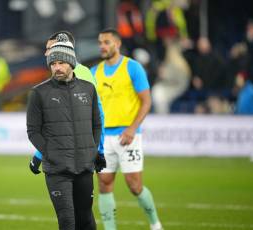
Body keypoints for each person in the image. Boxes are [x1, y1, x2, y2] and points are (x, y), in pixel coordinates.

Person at [26, 33, 106, 230]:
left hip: (84, 166)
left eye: (61, 62)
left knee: (86, 219)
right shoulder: (39, 93)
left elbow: (97, 121)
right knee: (67, 222)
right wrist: (49, 153)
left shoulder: (87, 86)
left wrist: (94, 150)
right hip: (57, 169)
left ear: (71, 62)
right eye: (53, 63)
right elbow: (33, 131)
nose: (57, 67)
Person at [91, 29, 163, 230]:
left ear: (117, 43)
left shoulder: (133, 67)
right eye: (100, 42)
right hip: (104, 139)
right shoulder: (93, 72)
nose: (102, 46)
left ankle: (155, 224)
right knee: (104, 183)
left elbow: (146, 101)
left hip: (128, 136)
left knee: (134, 185)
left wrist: (132, 129)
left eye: (106, 42)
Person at [29, 30, 105, 175]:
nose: (46, 54)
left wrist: (99, 150)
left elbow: (98, 115)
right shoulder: (63, 75)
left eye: (49, 49)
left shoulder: (80, 76)